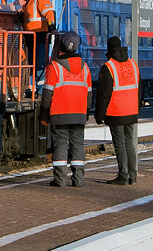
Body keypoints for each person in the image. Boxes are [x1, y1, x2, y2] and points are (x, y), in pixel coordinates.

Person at [39, 30, 91, 187]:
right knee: (78, 146)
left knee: (60, 145)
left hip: (59, 114)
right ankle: (78, 179)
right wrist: (86, 112)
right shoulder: (85, 68)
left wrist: (43, 114)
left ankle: (60, 180)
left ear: (61, 46)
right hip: (79, 114)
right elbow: (89, 94)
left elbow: (47, 93)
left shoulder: (54, 67)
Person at [95, 36, 139, 185]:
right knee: (129, 143)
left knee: (119, 144)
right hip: (131, 110)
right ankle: (133, 175)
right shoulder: (133, 64)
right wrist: (136, 106)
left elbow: (104, 94)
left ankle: (123, 175)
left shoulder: (108, 67)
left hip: (116, 111)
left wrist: (99, 115)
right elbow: (140, 88)